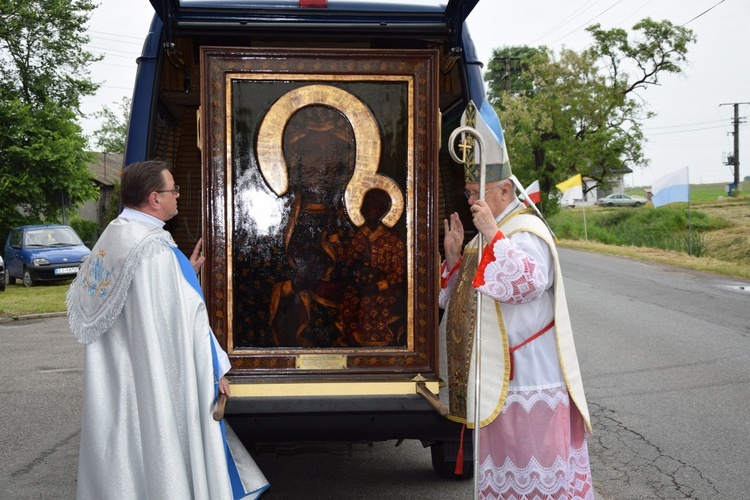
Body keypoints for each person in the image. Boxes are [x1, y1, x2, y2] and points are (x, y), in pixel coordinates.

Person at [67, 161, 269, 499]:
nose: (178, 196)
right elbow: (187, 320)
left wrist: (182, 273)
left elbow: (137, 305)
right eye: (172, 190)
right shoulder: (154, 251)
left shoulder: (114, 236)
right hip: (152, 376)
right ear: (153, 199)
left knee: (130, 447)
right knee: (162, 437)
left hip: (121, 380)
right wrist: (216, 368)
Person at [439, 103, 594, 498]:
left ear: (505, 190)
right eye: (469, 193)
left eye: (478, 194)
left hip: (530, 377)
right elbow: (463, 296)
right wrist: (456, 259)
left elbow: (527, 282)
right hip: (497, 373)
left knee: (537, 470)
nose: (471, 201)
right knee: (506, 467)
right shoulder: (490, 232)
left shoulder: (525, 230)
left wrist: (491, 232)